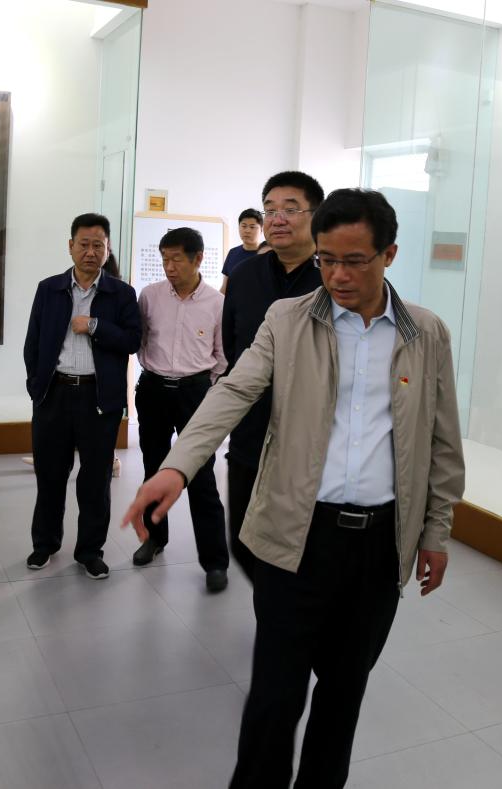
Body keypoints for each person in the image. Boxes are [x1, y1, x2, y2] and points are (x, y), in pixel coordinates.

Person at [123, 188, 464, 788]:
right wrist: (177, 467)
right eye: (328, 259)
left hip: (379, 548)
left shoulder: (426, 333)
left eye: (354, 261)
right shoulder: (287, 319)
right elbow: (233, 391)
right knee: (275, 697)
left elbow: (442, 441)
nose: (337, 275)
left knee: (343, 694)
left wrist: (435, 532)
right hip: (294, 537)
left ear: (389, 254)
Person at [23, 213, 140, 577]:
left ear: (108, 249)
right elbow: (32, 343)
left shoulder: (121, 293)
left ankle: (90, 551)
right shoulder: (49, 289)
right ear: (70, 246)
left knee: (95, 481)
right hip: (54, 395)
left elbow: (132, 341)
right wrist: (36, 386)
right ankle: (44, 544)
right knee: (50, 475)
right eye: (84, 244)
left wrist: (94, 325)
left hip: (98, 399)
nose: (91, 252)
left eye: (98, 245)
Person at [221, 171, 325, 580]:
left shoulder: (334, 279)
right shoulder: (244, 276)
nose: (277, 218)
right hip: (251, 429)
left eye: (290, 209)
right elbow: (233, 348)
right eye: (270, 210)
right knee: (243, 541)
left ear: (316, 216)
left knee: (303, 549)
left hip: (311, 438)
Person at [134, 227, 229, 591]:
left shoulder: (216, 303)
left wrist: (205, 389)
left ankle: (215, 561)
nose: (169, 267)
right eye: (165, 259)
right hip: (154, 390)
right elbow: (141, 340)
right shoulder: (150, 296)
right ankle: (154, 539)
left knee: (201, 476)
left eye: (176, 259)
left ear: (198, 258)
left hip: (195, 393)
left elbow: (222, 356)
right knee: (154, 468)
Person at [220, 207, 263, 294]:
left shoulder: (267, 254)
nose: (247, 230)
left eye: (252, 227)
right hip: (233, 302)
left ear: (261, 229)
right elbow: (225, 287)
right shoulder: (232, 253)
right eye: (244, 226)